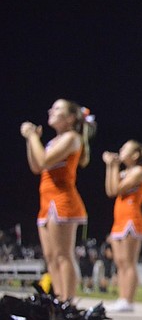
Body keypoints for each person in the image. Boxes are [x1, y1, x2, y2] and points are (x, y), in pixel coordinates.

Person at [20, 99, 96, 301]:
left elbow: (44, 160)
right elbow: (37, 167)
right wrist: (32, 140)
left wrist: (31, 136)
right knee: (51, 256)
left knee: (63, 254)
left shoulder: (72, 138)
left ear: (70, 118)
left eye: (57, 108)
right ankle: (58, 298)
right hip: (47, 200)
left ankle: (68, 301)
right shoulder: (55, 141)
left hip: (62, 200)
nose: (51, 111)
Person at [103, 140, 142, 313]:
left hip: (132, 219)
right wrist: (111, 166)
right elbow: (110, 191)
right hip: (119, 219)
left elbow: (118, 189)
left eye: (124, 148)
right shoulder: (125, 172)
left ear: (135, 155)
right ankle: (122, 298)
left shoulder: (139, 172)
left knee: (128, 262)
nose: (120, 150)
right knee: (120, 262)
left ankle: (128, 300)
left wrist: (114, 167)